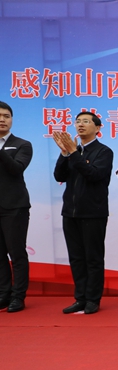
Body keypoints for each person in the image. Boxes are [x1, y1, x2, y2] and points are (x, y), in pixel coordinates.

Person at [53, 112, 113, 315]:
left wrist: (73, 153)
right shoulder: (73, 151)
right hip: (70, 213)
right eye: (78, 121)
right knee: (76, 258)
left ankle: (93, 299)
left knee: (93, 258)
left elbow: (93, 174)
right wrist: (64, 154)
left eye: (86, 121)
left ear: (98, 128)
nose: (80, 125)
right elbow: (59, 176)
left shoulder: (104, 152)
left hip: (93, 213)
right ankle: (80, 298)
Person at [0, 101, 32, 313]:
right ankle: (4, 294)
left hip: (14, 207)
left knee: (16, 253)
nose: (2, 119)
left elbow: (16, 168)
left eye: (6, 116)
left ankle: (18, 296)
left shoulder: (22, 144)